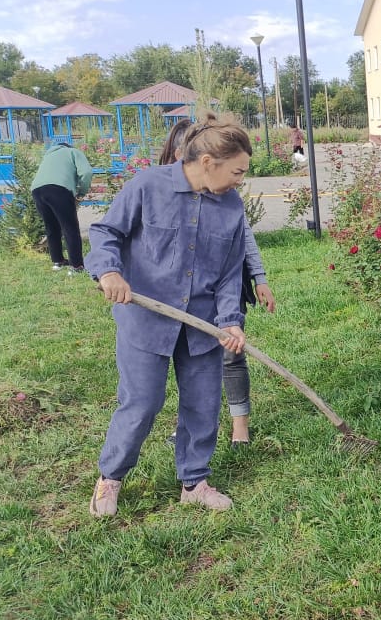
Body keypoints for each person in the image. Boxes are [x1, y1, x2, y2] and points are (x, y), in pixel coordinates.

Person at [86, 112, 252, 517]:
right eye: (237, 170)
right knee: (142, 402)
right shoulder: (147, 185)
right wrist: (109, 270)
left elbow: (231, 271)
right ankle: (110, 478)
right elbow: (106, 232)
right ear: (209, 161)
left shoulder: (230, 206)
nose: (240, 179)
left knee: (202, 403)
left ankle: (194, 482)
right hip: (147, 320)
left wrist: (230, 321)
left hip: (202, 324)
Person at [158, 118, 277, 447]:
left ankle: (240, 426)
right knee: (186, 358)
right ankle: (187, 423)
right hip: (181, 291)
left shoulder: (225, 195)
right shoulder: (165, 188)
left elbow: (244, 236)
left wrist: (259, 277)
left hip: (225, 286)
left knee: (230, 354)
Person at [30, 141, 94, 275]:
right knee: (70, 228)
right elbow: (87, 172)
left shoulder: (48, 156)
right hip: (58, 189)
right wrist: (81, 192)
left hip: (37, 190)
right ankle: (77, 266)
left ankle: (57, 261)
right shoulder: (73, 152)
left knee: (51, 227)